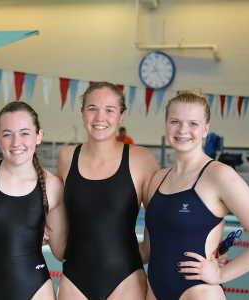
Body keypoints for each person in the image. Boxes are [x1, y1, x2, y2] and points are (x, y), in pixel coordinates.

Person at [142, 91, 249, 300]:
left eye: (193, 123)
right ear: (166, 125)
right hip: (154, 291)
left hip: (198, 293)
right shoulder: (157, 179)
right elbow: (147, 249)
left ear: (206, 129)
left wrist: (221, 273)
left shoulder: (219, 175)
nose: (183, 130)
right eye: (175, 121)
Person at [57, 82, 159, 299]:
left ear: (121, 116)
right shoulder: (66, 157)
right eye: (92, 108)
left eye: (109, 110)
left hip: (126, 278)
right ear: (82, 112)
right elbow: (58, 213)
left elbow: (162, 216)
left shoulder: (141, 159)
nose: (99, 117)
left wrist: (146, 251)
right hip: (74, 279)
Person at [0, 101, 67, 300]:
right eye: (7, 134)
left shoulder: (52, 186)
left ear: (39, 136)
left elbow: (61, 252)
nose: (16, 142)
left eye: (24, 133)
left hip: (35, 289)